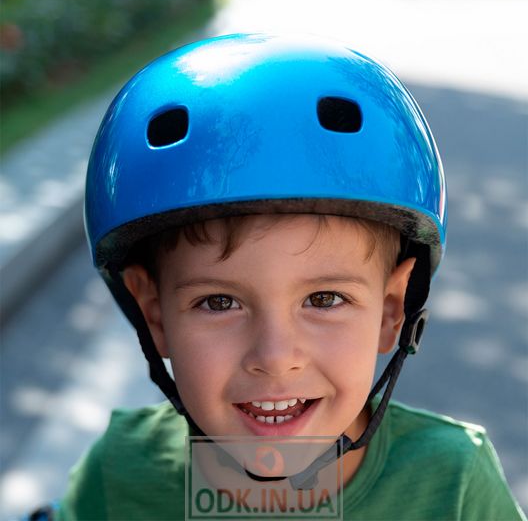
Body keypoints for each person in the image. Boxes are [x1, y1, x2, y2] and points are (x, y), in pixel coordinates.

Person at [51, 34, 524, 520]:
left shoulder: (454, 484)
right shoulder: (118, 474)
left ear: (390, 311)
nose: (275, 359)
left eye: (324, 298)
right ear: (155, 317)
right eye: (218, 302)